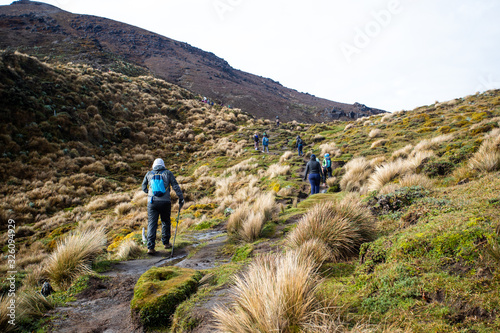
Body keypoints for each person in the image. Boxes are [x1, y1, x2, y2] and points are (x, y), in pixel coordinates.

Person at [142, 158, 184, 254]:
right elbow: (175, 186)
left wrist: (148, 193)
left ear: (154, 165)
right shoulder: (168, 173)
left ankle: (150, 247)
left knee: (152, 223)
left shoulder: (149, 174)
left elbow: (143, 187)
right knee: (165, 221)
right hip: (165, 202)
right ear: (163, 165)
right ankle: (166, 243)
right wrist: (181, 198)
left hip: (152, 202)